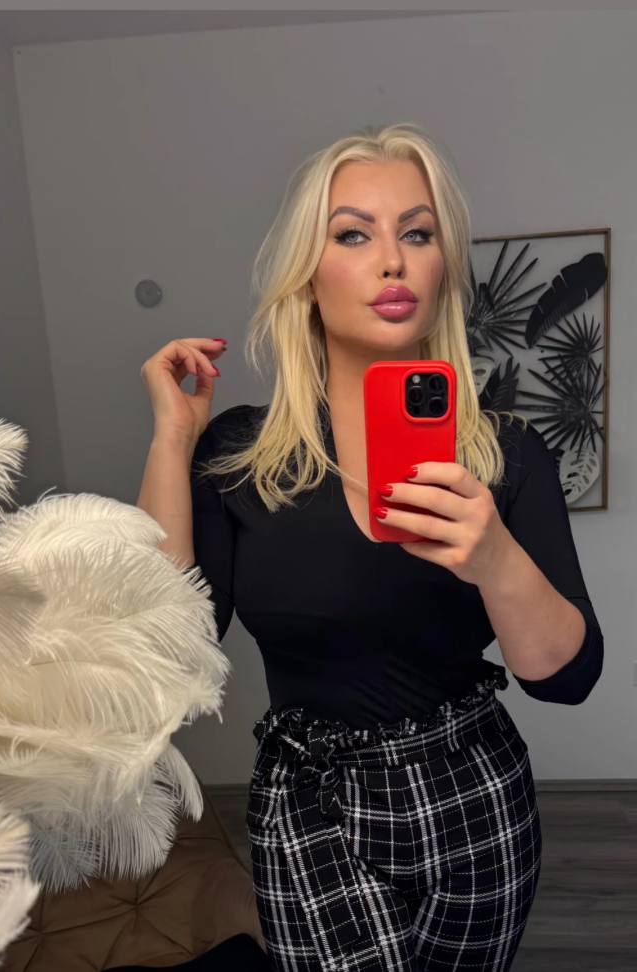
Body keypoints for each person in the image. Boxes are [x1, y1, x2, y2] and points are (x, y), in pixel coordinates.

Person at [138, 122, 604, 971]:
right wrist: (172, 440)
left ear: (441, 267)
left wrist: (495, 556)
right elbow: (166, 655)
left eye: (417, 234)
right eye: (353, 235)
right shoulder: (239, 455)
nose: (392, 260)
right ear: (306, 275)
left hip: (475, 797)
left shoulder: (506, 453)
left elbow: (567, 679)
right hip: (308, 801)